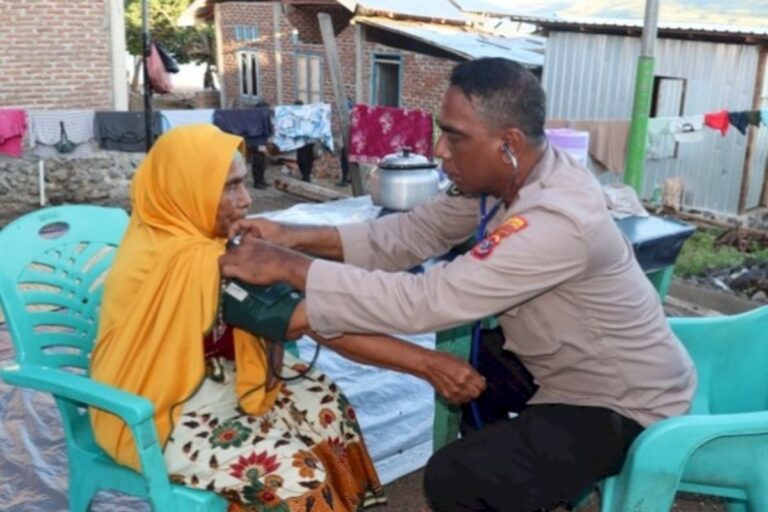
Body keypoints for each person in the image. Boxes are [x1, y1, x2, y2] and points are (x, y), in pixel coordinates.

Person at [218, 58, 697, 512]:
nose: (440, 150)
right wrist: (291, 237)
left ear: (507, 142)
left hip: (622, 401)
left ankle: (524, 477)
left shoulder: (558, 219)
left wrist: (289, 267)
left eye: (454, 136)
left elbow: (430, 300)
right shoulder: (506, 178)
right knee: (473, 366)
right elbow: (406, 235)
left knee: (454, 478)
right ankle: (532, 481)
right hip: (567, 365)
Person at [89, 124, 485, 512]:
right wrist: (427, 363)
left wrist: (294, 263)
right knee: (295, 476)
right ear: (186, 191)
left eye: (244, 182)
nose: (246, 200)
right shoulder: (195, 259)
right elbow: (309, 318)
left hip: (216, 377)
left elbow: (312, 310)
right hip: (156, 409)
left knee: (329, 409)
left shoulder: (203, 243)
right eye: (229, 187)